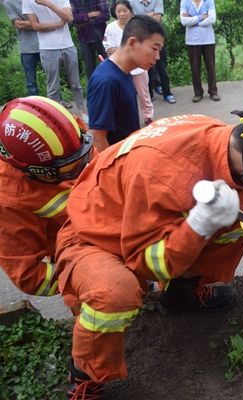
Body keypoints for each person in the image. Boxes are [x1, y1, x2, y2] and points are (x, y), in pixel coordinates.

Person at [54, 92, 243, 397]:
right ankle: (85, 378)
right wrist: (199, 226)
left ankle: (184, 291)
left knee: (240, 219)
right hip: (97, 238)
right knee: (117, 293)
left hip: (144, 217)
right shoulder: (162, 174)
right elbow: (146, 264)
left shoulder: (226, 140)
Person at [0, 96, 94, 298]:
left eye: (82, 158)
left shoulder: (62, 133)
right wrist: (85, 277)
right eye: (69, 170)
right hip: (77, 253)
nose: (82, 169)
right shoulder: (9, 200)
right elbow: (29, 276)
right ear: (35, 171)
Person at [88, 14, 164, 152]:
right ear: (133, 42)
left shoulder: (124, 72)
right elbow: (98, 139)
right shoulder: (106, 81)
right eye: (154, 48)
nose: (157, 56)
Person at [22, 0, 87, 119]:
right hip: (47, 48)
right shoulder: (27, 1)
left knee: (75, 82)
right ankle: (55, 117)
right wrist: (58, 24)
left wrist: (48, 3)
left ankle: (82, 111)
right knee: (53, 87)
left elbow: (69, 17)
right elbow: (35, 26)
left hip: (68, 45)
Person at [103, 0, 155, 127]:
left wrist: (121, 50)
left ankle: (148, 116)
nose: (122, 14)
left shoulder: (138, 27)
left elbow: (143, 46)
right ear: (114, 12)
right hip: (120, 68)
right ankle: (126, 120)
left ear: (130, 11)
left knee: (144, 94)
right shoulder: (110, 27)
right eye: (118, 11)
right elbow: (108, 47)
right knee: (124, 96)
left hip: (138, 67)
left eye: (124, 11)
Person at [130, 0, 176, 104]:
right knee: (146, 68)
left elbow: (158, 18)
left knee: (162, 67)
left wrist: (141, 17)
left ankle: (167, 93)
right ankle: (149, 96)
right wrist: (151, 14)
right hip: (142, 39)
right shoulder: (132, 1)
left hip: (157, 37)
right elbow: (134, 22)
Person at [180, 0, 220, 102]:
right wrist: (201, 17)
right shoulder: (185, 2)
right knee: (195, 68)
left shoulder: (209, 1)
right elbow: (184, 21)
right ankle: (198, 93)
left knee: (211, 66)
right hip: (192, 41)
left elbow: (212, 19)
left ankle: (213, 91)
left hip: (208, 39)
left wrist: (193, 20)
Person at [4, 0, 40, 95]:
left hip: (45, 44)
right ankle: (34, 106)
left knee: (52, 77)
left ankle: (56, 104)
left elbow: (48, 18)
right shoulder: (9, 2)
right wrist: (38, 22)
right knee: (31, 82)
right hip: (27, 48)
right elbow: (19, 25)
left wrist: (28, 23)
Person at [70, 0, 109, 80]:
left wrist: (84, 20)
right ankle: (93, 90)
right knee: (90, 70)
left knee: (108, 65)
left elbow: (106, 15)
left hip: (101, 36)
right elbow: (73, 19)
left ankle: (111, 89)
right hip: (84, 38)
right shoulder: (73, 1)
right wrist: (90, 14)